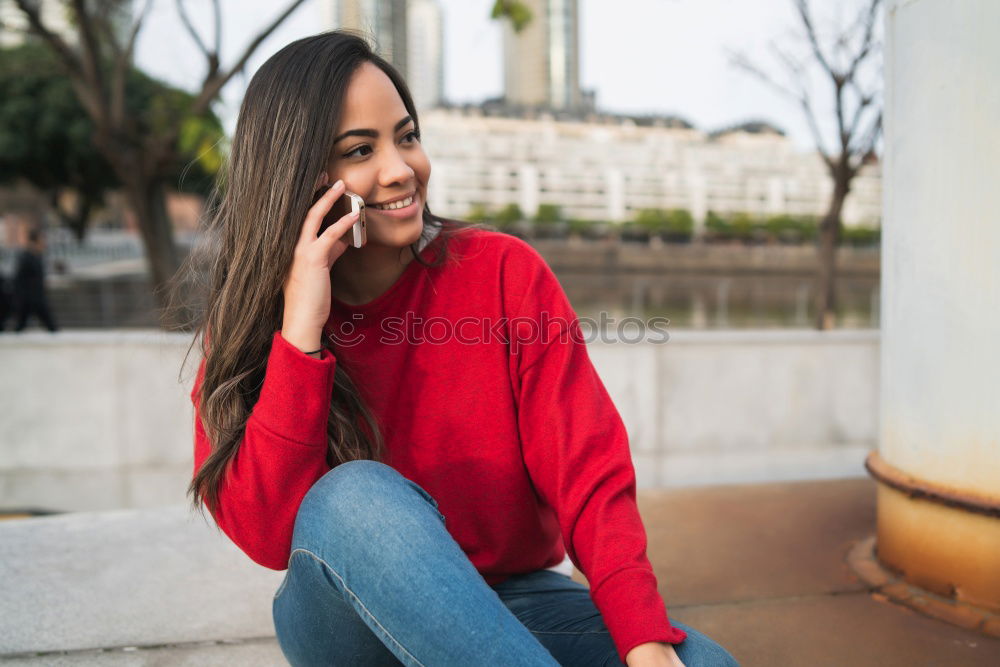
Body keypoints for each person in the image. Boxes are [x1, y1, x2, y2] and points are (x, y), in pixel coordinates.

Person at [183, 30, 739, 667]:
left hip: (507, 602)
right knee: (355, 497)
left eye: (408, 135)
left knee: (701, 664)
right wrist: (300, 336)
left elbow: (588, 471)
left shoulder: (503, 273)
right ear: (299, 176)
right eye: (361, 149)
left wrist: (645, 644)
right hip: (348, 623)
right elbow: (268, 535)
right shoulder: (254, 328)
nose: (402, 169)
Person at [11, 227, 59, 332]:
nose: (44, 242)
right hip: (30, 298)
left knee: (21, 325)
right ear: (35, 240)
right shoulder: (26, 257)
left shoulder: (37, 256)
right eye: (42, 239)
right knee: (50, 325)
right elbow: (19, 279)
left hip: (36, 297)